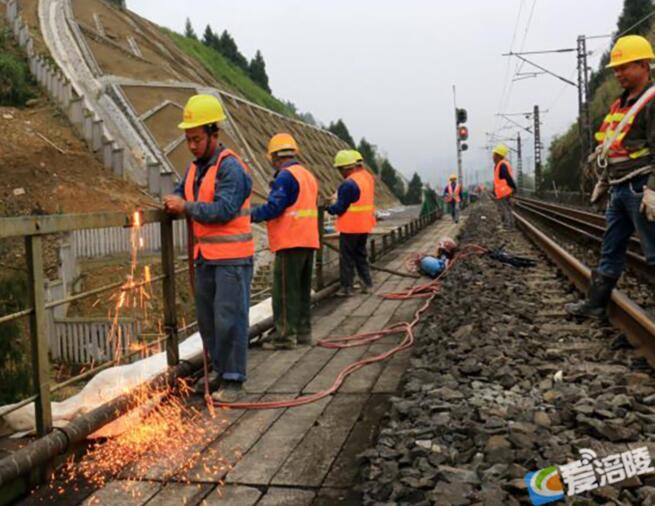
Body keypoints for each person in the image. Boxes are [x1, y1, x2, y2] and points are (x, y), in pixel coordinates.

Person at [163, 94, 253, 403]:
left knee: (230, 318)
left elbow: (225, 209)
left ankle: (234, 379)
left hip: (231, 259)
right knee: (209, 320)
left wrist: (185, 206)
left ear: (214, 133)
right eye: (188, 139)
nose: (191, 145)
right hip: (205, 258)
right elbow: (181, 191)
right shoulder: (195, 168)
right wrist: (172, 201)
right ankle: (218, 368)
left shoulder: (231, 168)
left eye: (197, 139)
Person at [566, 35, 655, 320]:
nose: (618, 73)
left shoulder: (651, 101)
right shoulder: (622, 103)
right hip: (619, 187)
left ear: (644, 65)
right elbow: (613, 146)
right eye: (616, 69)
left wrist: (653, 190)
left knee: (653, 251)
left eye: (624, 67)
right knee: (611, 247)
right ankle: (595, 304)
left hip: (641, 188)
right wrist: (605, 179)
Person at [251, 133, 319, 349]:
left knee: (284, 292)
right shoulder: (306, 175)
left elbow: (275, 207)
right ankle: (303, 333)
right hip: (308, 240)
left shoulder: (285, 177)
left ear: (274, 156)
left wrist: (248, 215)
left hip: (290, 241)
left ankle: (284, 337)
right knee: (301, 290)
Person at [327, 150, 376, 297]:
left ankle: (346, 287)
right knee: (361, 255)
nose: (340, 173)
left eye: (340, 169)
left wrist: (329, 208)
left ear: (346, 168)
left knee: (347, 258)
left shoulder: (348, 184)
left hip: (350, 227)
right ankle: (367, 284)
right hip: (364, 225)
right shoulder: (366, 179)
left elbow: (340, 208)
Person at [491, 144, 517, 228]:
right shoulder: (500, 164)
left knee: (505, 209)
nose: (493, 157)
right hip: (503, 192)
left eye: (494, 154)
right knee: (507, 209)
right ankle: (510, 225)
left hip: (504, 192)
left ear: (498, 155)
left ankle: (508, 226)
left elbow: (507, 177)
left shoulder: (502, 165)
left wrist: (513, 187)